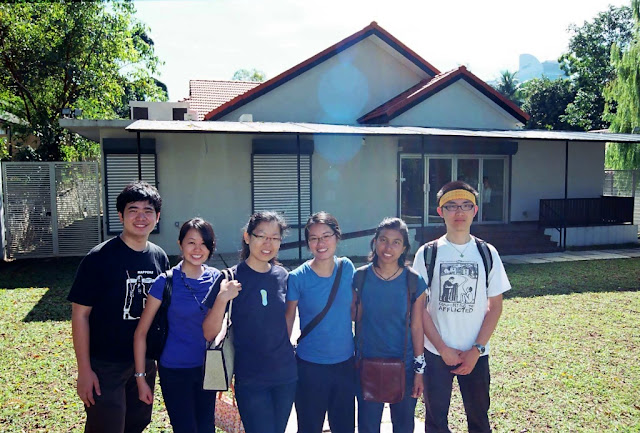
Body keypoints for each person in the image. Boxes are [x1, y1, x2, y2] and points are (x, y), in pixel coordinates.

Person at [68, 181, 170, 433]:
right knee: (106, 426)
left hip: (144, 362)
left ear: (157, 217)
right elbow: (80, 315)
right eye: (133, 210)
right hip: (106, 365)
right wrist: (84, 370)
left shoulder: (159, 257)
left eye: (148, 211)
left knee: (137, 424)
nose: (141, 217)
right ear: (120, 215)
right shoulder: (99, 258)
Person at [412, 180, 511, 433]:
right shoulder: (428, 253)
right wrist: (442, 348)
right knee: (435, 421)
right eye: (452, 206)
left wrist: (476, 349)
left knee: (479, 419)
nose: (459, 212)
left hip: (475, 352)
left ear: (475, 210)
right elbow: (419, 308)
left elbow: (495, 306)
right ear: (440, 211)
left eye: (466, 205)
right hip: (436, 352)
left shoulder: (487, 253)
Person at [202, 211, 296, 433]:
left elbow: (287, 321)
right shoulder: (229, 277)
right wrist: (222, 298)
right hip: (251, 379)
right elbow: (208, 332)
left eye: (275, 238)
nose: (268, 243)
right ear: (247, 236)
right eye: (261, 236)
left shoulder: (283, 276)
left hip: (285, 376)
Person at [133, 217, 220, 433]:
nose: (197, 249)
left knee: (207, 428)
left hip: (208, 369)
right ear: (180, 244)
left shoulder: (218, 279)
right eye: (191, 242)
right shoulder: (165, 282)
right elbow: (141, 333)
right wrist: (141, 379)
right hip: (175, 369)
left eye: (204, 244)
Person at [354, 217, 427, 433]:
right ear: (375, 242)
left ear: (404, 248)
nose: (388, 247)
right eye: (383, 240)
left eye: (396, 242)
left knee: (403, 426)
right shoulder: (360, 277)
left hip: (404, 366)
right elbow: (354, 316)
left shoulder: (414, 281)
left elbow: (417, 327)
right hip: (366, 365)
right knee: (368, 427)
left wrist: (419, 371)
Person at [285, 212, 356, 433]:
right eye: (314, 238)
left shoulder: (347, 268)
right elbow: (289, 318)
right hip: (310, 366)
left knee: (344, 427)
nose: (321, 243)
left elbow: (355, 309)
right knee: (309, 426)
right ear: (308, 243)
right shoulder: (297, 277)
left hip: (345, 364)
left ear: (337, 237)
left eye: (326, 236)